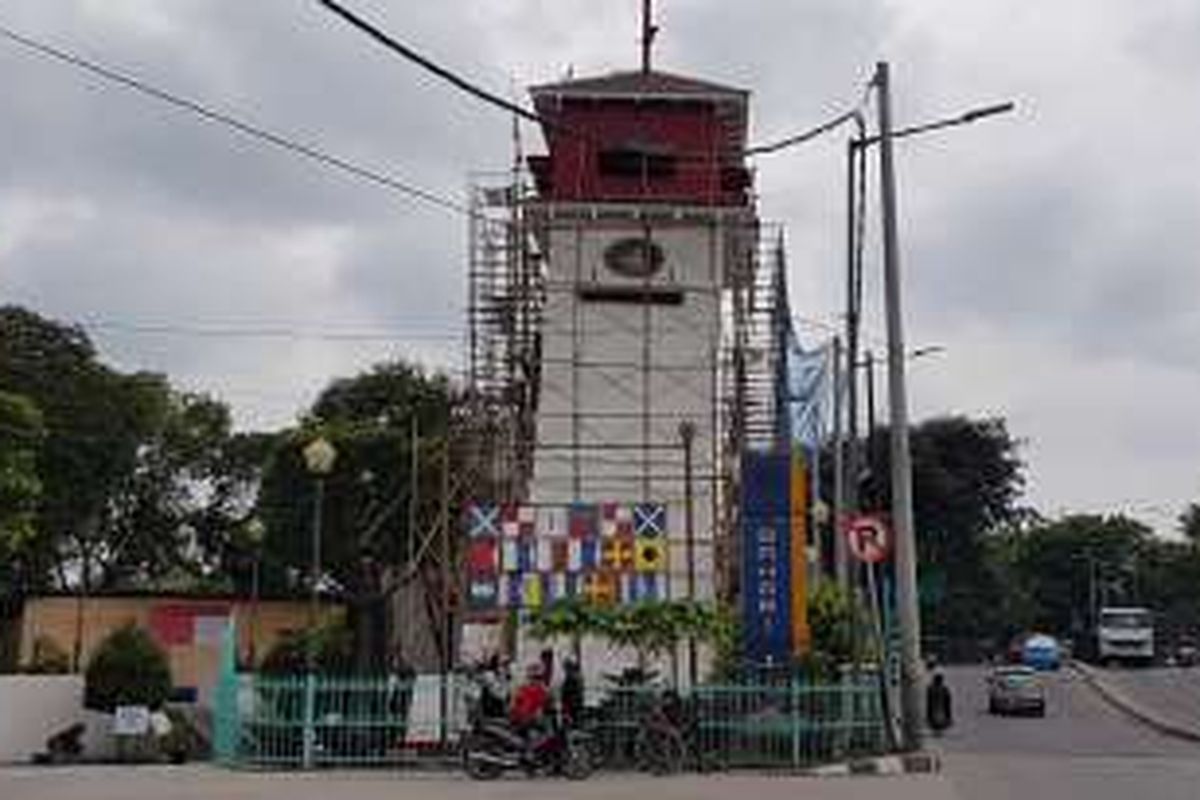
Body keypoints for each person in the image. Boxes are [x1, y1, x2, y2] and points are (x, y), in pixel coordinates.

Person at [560, 658, 584, 728]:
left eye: (565, 668)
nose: (565, 670)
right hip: (573, 704)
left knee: (571, 720)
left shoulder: (571, 678)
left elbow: (567, 693)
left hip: (571, 704)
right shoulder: (577, 676)